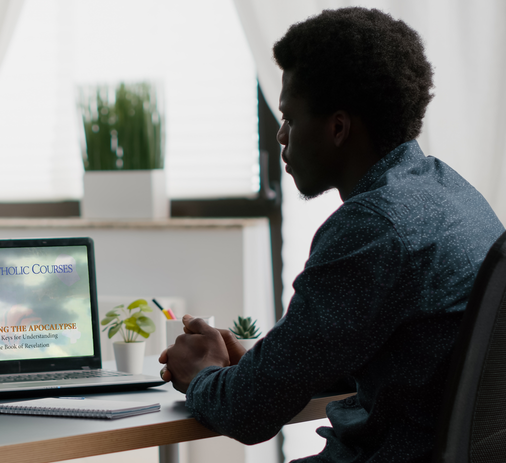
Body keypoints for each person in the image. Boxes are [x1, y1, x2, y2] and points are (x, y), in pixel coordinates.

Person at [158, 7, 505, 462]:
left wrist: (200, 373)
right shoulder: (452, 192)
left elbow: (247, 414)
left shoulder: (374, 228)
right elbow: (394, 354)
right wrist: (263, 368)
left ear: (338, 127)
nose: (281, 135)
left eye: (289, 119)